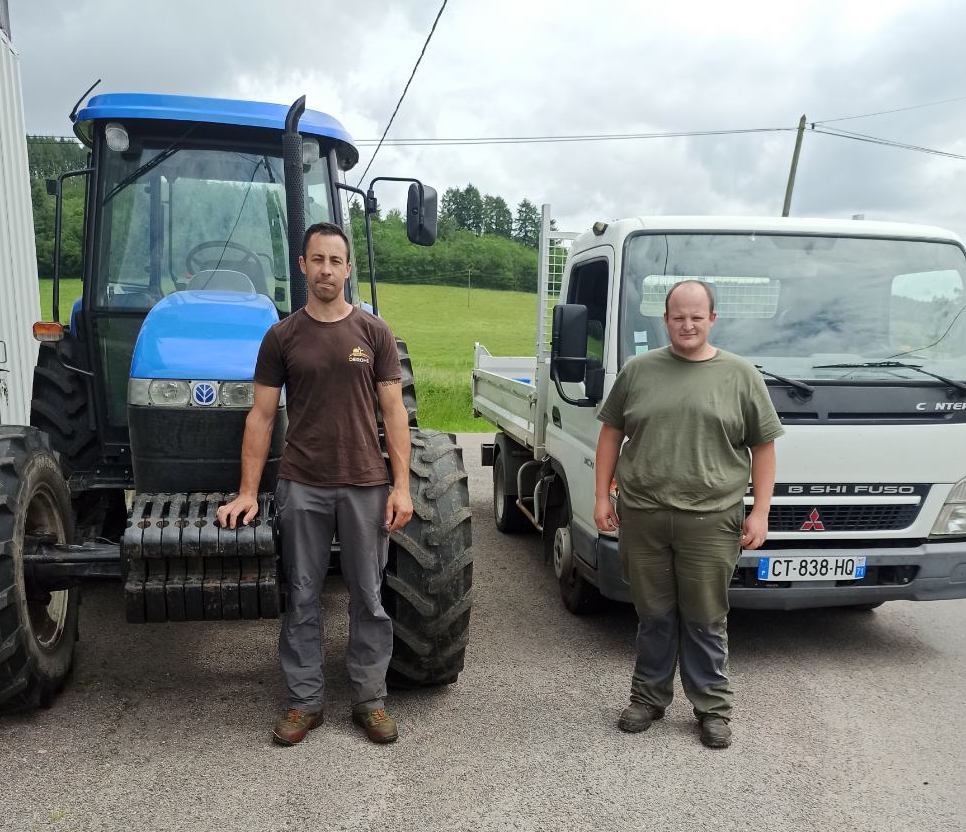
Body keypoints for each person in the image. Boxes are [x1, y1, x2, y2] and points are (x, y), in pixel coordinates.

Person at [217, 221, 413, 747]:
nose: (327, 269)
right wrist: (247, 491)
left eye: (336, 260)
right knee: (302, 594)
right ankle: (304, 701)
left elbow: (394, 414)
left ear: (348, 268)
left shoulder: (375, 333)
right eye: (317, 260)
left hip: (366, 484)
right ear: (302, 266)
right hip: (301, 483)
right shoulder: (282, 336)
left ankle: (370, 699)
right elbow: (260, 417)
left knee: (368, 595)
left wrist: (401, 486)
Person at [594, 279, 783, 749]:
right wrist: (601, 498)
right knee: (653, 615)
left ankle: (713, 710)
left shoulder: (740, 376)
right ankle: (648, 699)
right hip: (643, 515)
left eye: (697, 316)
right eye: (679, 316)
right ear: (666, 320)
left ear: (712, 319)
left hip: (712, 520)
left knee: (704, 618)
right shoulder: (638, 371)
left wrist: (760, 512)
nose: (687, 324)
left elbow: (763, 448)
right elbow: (610, 436)